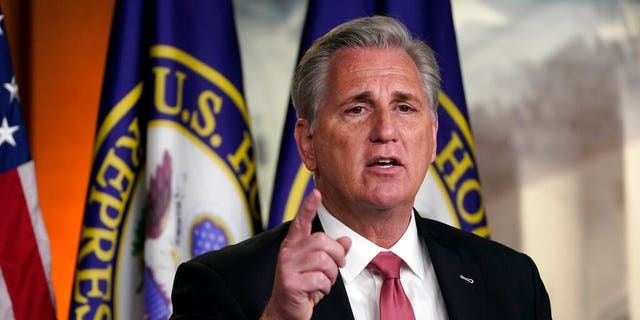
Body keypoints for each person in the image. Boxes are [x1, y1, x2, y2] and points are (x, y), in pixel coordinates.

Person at [169, 15, 551, 320]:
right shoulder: (222, 285)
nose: (385, 131)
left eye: (404, 107)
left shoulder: (512, 282)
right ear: (308, 142)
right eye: (357, 109)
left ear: (432, 137)